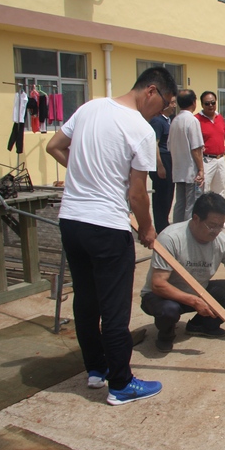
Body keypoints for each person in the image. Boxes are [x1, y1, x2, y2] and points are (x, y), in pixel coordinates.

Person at [46, 66, 176, 406]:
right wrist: (148, 228)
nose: (161, 112)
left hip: (72, 222)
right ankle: (121, 384)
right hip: (106, 226)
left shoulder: (90, 107)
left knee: (86, 299)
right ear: (151, 91)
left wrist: (84, 175)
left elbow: (55, 146)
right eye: (163, 105)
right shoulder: (140, 130)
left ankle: (96, 369)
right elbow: (138, 195)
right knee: (115, 307)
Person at [140, 193, 225, 352]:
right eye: (211, 225)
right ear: (196, 219)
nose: (216, 231)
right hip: (163, 296)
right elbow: (158, 284)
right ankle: (166, 334)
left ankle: (201, 325)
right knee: (169, 310)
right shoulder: (171, 238)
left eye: (220, 226)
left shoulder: (222, 242)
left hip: (198, 292)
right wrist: (193, 301)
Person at [169, 89, 205, 223]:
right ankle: (187, 234)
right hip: (191, 171)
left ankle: (176, 228)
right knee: (191, 204)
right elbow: (195, 148)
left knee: (180, 204)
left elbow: (169, 146)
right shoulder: (192, 120)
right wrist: (201, 169)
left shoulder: (175, 121)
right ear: (194, 102)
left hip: (178, 170)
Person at [195, 91, 225, 199]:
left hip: (220, 160)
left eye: (213, 102)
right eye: (207, 103)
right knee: (203, 191)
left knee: (219, 191)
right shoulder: (196, 119)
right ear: (202, 105)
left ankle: (217, 214)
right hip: (206, 160)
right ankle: (202, 214)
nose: (210, 105)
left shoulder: (219, 117)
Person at [149, 97, 176, 233]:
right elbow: (154, 144)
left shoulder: (169, 121)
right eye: (172, 103)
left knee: (168, 194)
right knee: (161, 195)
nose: (174, 106)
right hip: (162, 159)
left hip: (170, 159)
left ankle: (164, 222)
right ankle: (160, 226)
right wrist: (159, 165)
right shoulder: (157, 121)